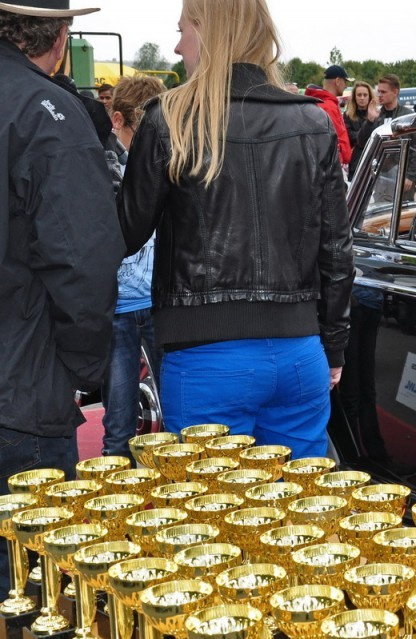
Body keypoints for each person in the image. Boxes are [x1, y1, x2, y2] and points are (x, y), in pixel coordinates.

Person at [118, 0, 354, 458]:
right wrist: (335, 345)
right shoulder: (312, 121)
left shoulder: (170, 119)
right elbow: (337, 250)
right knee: (302, 501)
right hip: (300, 351)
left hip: (206, 356)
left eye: (183, 30)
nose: (177, 46)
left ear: (209, 32)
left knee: (212, 501)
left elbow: (124, 232)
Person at [0, 0, 123, 590]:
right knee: (33, 590)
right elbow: (83, 259)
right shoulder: (44, 111)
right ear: (61, 35)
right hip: (20, 390)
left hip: (19, 376)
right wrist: (81, 367)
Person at [102, 75, 167, 460]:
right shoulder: (98, 166)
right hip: (119, 308)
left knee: (179, 421)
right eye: (141, 132)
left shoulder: (167, 158)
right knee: (118, 425)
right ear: (118, 121)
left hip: (161, 303)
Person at [304, 80, 353, 166]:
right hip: (333, 164)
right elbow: (334, 137)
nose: (346, 86)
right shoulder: (328, 106)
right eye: (345, 82)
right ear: (338, 81)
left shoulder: (318, 103)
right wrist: (340, 159)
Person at [344, 80, 378, 179]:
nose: (362, 98)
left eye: (365, 95)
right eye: (359, 95)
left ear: (369, 96)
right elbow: (350, 136)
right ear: (354, 97)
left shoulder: (377, 115)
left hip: (374, 160)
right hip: (356, 162)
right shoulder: (348, 115)